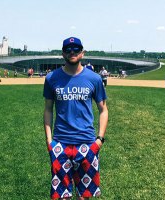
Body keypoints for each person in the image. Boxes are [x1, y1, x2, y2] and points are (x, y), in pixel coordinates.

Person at [43, 37, 108, 199]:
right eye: (68, 50)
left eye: (76, 49)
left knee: (84, 194)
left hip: (86, 143)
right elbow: (48, 110)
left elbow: (103, 109)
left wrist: (99, 139)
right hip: (60, 143)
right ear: (63, 53)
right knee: (61, 195)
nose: (72, 52)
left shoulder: (94, 78)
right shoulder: (52, 78)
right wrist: (49, 141)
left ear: (82, 52)